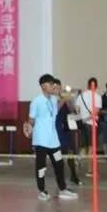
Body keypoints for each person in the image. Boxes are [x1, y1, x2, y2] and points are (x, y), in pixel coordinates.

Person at [26, 73, 77, 201]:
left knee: (59, 165)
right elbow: (31, 119)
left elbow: (55, 110)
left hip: (54, 140)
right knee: (41, 167)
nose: (54, 86)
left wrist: (64, 99)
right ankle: (42, 190)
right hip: (41, 140)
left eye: (54, 84)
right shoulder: (36, 101)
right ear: (43, 85)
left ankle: (63, 189)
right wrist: (28, 127)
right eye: (51, 84)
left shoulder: (53, 99)